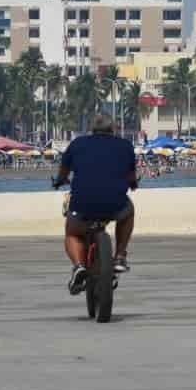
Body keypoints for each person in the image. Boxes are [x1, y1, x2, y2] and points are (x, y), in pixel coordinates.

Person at [53, 114, 138, 294]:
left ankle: (78, 267)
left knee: (73, 233)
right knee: (128, 211)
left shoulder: (77, 144)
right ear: (112, 129)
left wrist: (59, 181)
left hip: (82, 202)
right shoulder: (125, 145)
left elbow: (63, 171)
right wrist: (133, 184)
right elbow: (131, 176)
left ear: (92, 130)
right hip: (114, 203)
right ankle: (120, 256)